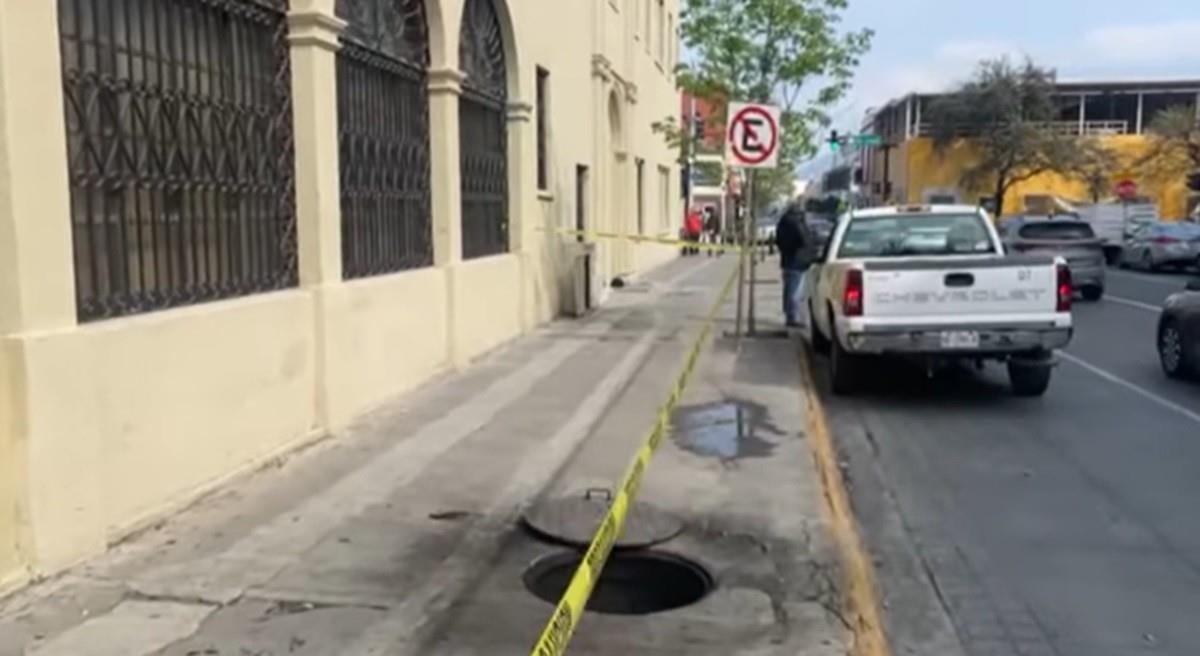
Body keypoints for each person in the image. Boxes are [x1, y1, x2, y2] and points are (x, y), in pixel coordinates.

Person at [774, 204, 814, 327]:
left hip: (787, 259)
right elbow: (803, 239)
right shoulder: (796, 223)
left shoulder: (783, 222)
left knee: (789, 289)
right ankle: (793, 317)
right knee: (795, 291)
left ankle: (789, 314)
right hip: (797, 260)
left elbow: (778, 240)